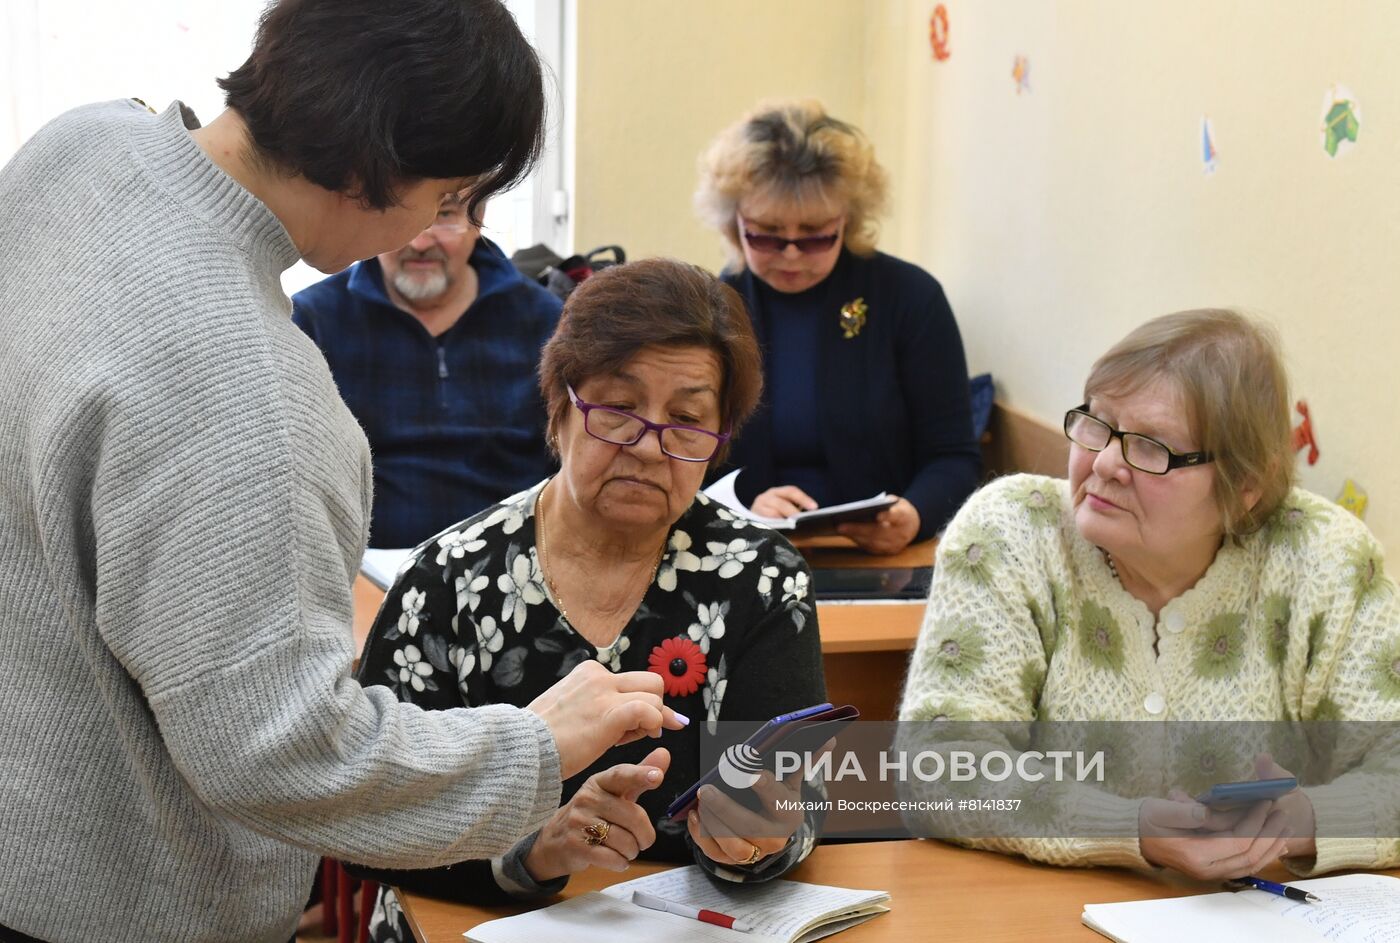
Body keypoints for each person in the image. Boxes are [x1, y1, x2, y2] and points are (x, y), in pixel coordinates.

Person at [0, 3, 682, 941]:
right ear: (373, 171)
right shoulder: (250, 392)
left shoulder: (79, 149)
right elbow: (278, 749)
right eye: (446, 196)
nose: (443, 226)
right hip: (106, 903)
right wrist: (536, 740)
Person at [347, 258, 828, 942]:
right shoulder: (448, 581)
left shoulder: (760, 581)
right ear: (561, 405)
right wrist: (532, 852)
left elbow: (800, 805)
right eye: (619, 409)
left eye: (686, 420)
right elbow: (363, 825)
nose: (648, 446)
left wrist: (757, 840)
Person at [899, 309, 1400, 880]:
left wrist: (1303, 819)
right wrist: (1129, 829)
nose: (1107, 463)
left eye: (1152, 448)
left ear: (1245, 488)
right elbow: (937, 767)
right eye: (1097, 424)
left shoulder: (1324, 557)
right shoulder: (1013, 531)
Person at [694, 99, 981, 555]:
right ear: (734, 225)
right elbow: (687, 454)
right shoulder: (709, 310)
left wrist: (914, 514)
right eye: (767, 234)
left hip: (882, 556)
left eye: (814, 236)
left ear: (848, 222)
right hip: (745, 553)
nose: (791, 255)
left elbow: (953, 456)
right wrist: (745, 505)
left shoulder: (910, 298)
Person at [293, 196, 562, 548]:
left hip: (511, 563)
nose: (419, 242)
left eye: (443, 216)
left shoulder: (545, 322)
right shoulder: (315, 321)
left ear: (477, 219)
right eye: (398, 213)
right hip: (366, 570)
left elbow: (568, 465)